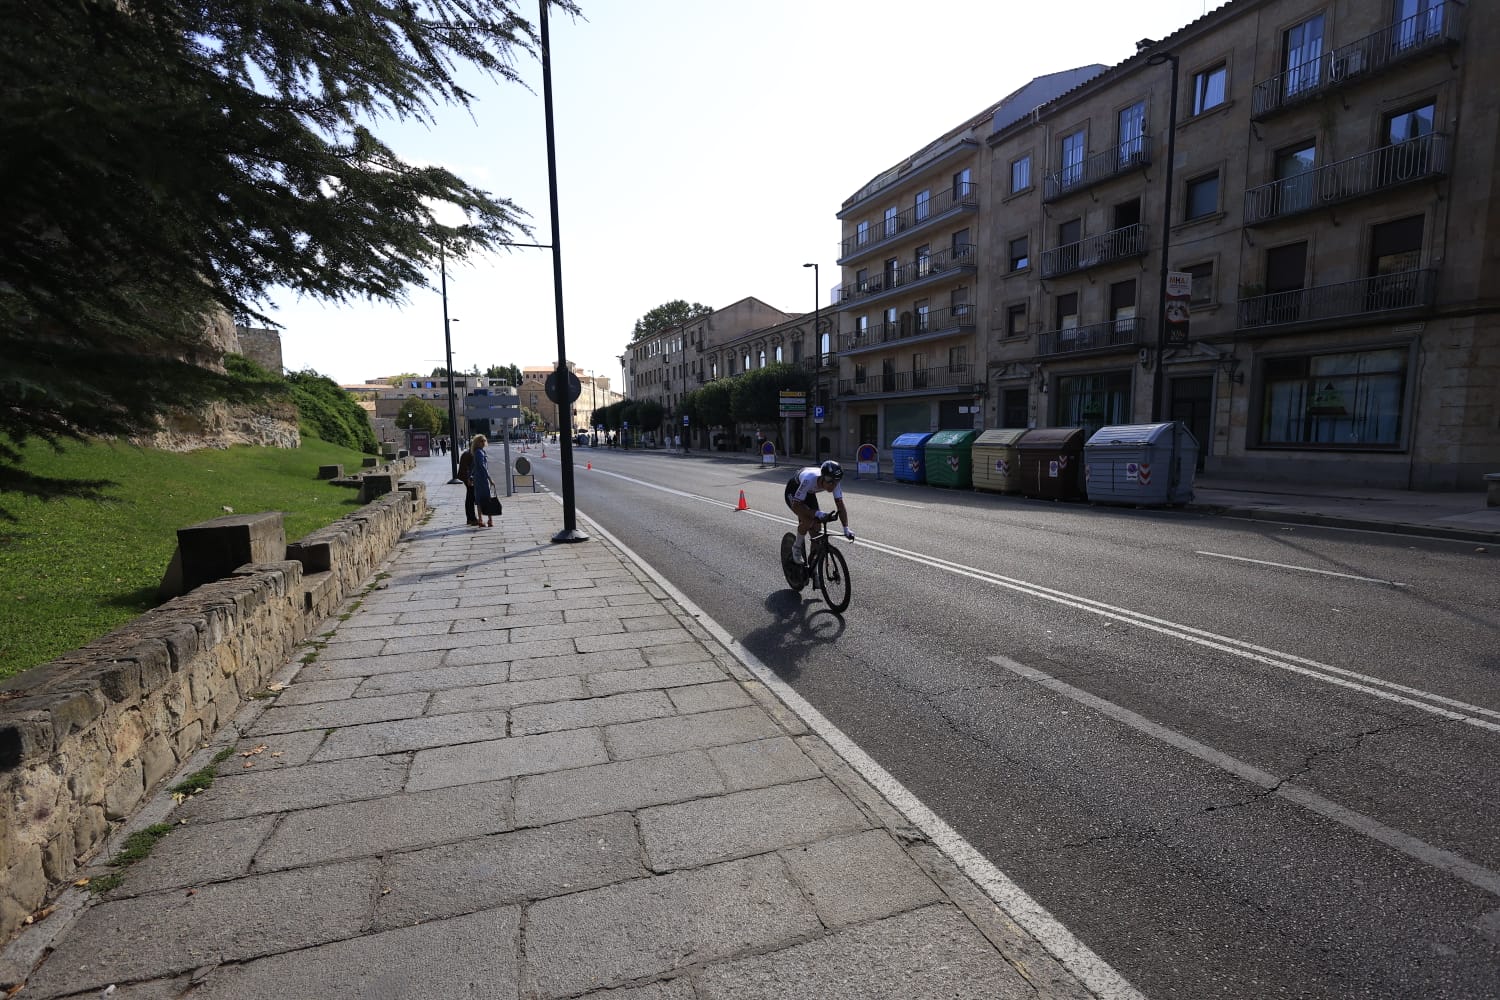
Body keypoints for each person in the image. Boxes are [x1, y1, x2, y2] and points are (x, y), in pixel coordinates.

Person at [783, 460, 855, 565]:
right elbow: (796, 505)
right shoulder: (809, 479)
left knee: (817, 529)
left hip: (809, 493)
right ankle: (796, 548)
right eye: (829, 480)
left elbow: (840, 505)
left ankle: (813, 564)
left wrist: (846, 528)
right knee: (808, 521)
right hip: (794, 490)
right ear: (822, 477)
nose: (832, 485)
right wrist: (816, 513)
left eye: (836, 481)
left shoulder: (834, 483)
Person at [470, 433, 495, 528]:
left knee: (479, 500)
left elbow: (474, 466)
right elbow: (482, 466)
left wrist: (471, 476)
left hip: (478, 478)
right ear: (478, 442)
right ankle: (489, 520)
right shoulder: (479, 452)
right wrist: (489, 478)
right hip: (482, 479)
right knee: (487, 499)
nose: (484, 442)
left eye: (484, 440)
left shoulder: (477, 452)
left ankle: (481, 520)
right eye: (482, 441)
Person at [456, 443, 478, 526]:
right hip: (467, 478)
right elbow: (468, 469)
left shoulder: (468, 453)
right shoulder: (470, 454)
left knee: (470, 497)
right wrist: (470, 479)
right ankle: (471, 518)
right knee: (470, 497)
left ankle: (470, 518)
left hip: (465, 477)